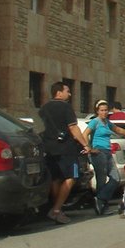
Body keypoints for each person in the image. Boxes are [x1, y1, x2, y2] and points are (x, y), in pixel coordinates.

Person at [39, 81, 92, 224]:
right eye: (67, 91)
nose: (69, 94)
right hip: (66, 148)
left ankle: (57, 208)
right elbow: (74, 129)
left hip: (49, 148)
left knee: (56, 179)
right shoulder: (66, 107)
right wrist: (85, 145)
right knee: (71, 177)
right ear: (59, 92)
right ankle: (56, 209)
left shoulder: (44, 108)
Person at [83, 99, 124, 215]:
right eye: (102, 110)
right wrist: (89, 148)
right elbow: (84, 134)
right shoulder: (95, 122)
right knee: (101, 179)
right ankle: (101, 206)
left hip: (108, 152)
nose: (104, 112)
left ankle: (100, 199)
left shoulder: (107, 122)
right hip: (98, 152)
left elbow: (117, 129)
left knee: (115, 178)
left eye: (106, 110)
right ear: (97, 111)